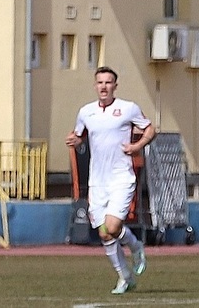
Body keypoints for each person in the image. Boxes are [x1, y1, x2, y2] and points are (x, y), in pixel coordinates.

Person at [65, 66, 154, 295]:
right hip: (98, 181)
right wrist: (75, 142)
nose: (104, 87)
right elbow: (80, 136)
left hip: (121, 177)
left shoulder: (128, 108)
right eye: (100, 83)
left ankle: (136, 247)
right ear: (95, 86)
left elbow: (150, 129)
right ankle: (125, 277)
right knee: (105, 233)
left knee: (113, 226)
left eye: (108, 82)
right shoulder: (86, 112)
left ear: (115, 85)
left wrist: (136, 146)